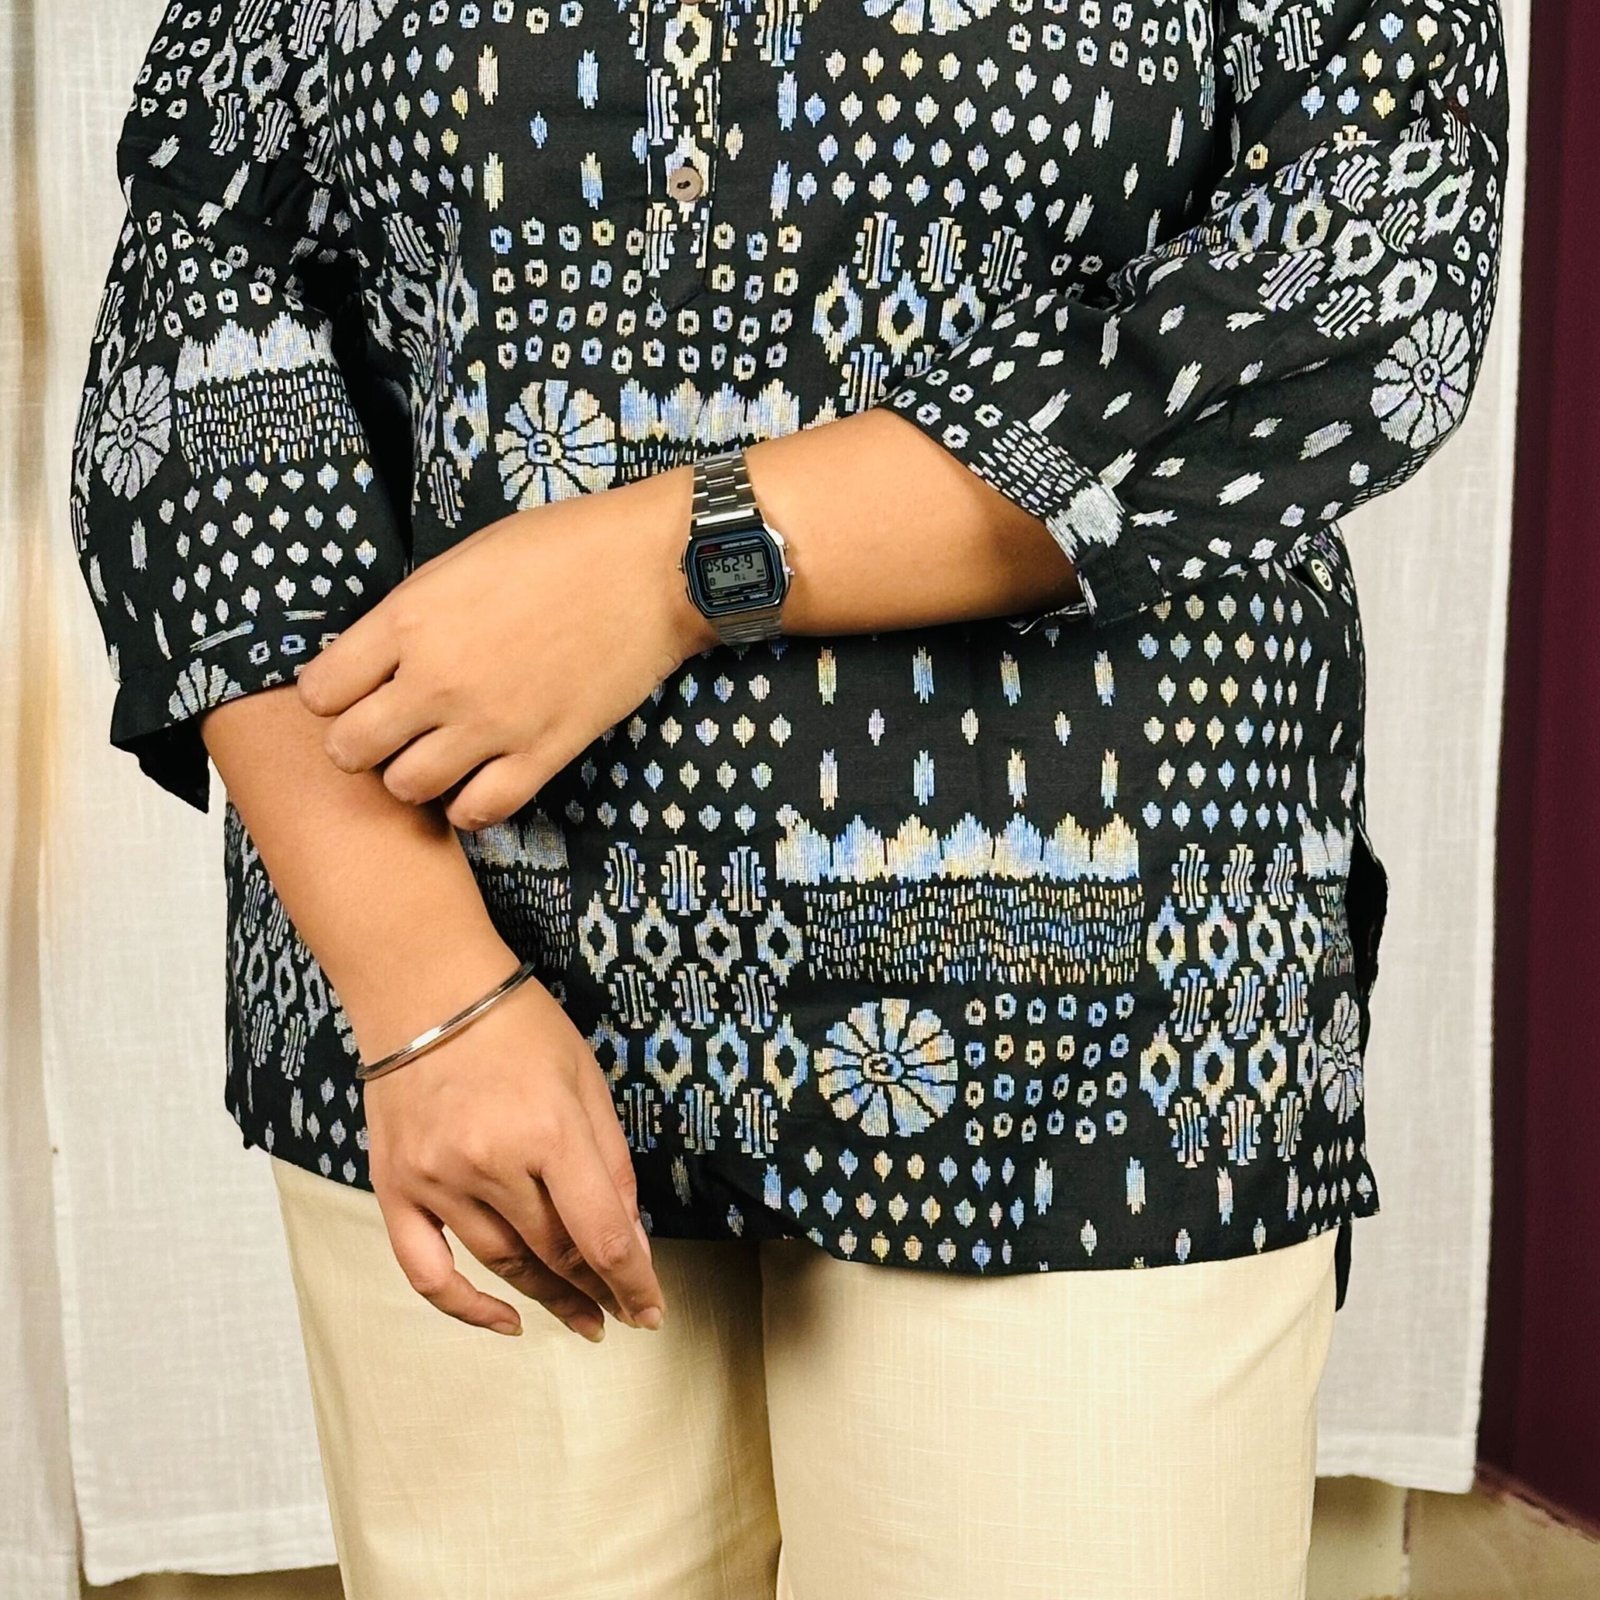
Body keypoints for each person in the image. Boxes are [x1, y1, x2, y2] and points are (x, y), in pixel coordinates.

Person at [68, 0, 1509, 1595]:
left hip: (1106, 1027)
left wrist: (674, 563)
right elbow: (201, 347)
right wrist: (422, 991)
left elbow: (1366, 277)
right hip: (465, 992)